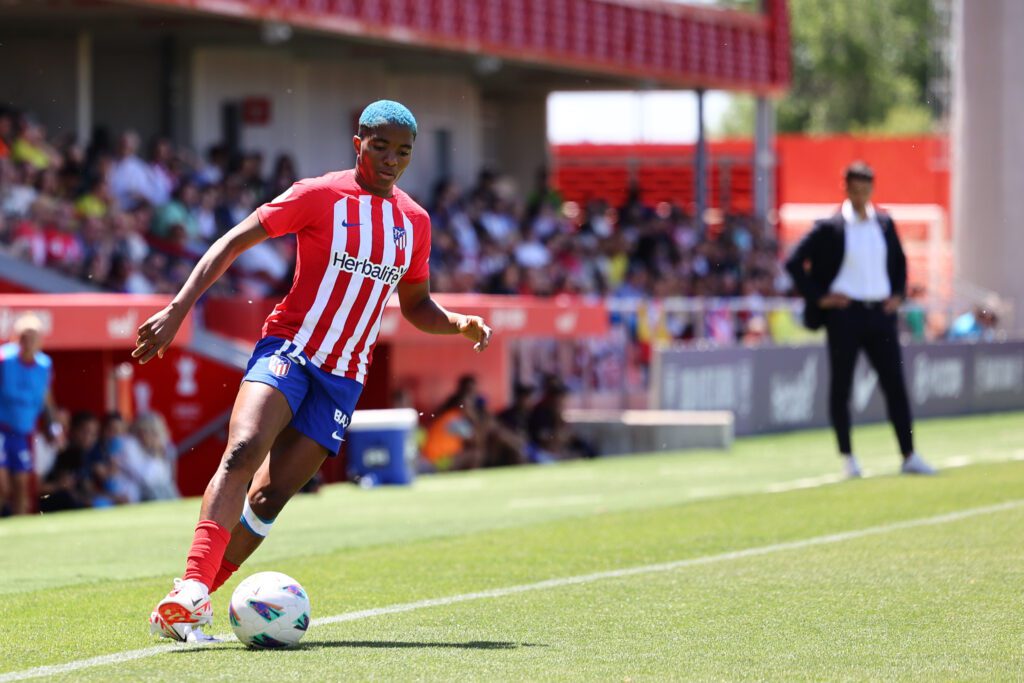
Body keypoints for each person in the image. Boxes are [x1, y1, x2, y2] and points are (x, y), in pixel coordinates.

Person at [135, 100, 492, 642]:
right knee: (243, 448)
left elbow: (417, 305)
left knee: (268, 498)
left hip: (345, 377)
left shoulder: (413, 222)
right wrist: (178, 308)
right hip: (290, 350)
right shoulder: (318, 195)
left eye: (403, 152)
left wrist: (459, 322)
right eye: (381, 147)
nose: (392, 160)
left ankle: (194, 603)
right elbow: (234, 241)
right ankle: (189, 586)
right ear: (359, 143)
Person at [785, 161, 935, 478]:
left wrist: (898, 294)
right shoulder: (830, 227)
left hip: (880, 314)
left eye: (866, 186)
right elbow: (794, 262)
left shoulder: (883, 223)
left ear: (872, 188)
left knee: (895, 385)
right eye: (855, 186)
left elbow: (900, 262)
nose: (860, 192)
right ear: (846, 188)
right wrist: (821, 297)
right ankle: (848, 458)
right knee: (842, 387)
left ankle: (909, 454)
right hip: (845, 315)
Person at [0, 313, 59, 515]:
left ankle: (19, 531)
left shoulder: (44, 365)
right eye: (25, 336)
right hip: (2, 429)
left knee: (20, 485)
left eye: (34, 337)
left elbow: (46, 397)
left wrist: (54, 425)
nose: (30, 342)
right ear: (17, 338)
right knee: (2, 486)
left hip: (23, 432)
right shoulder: (4, 360)